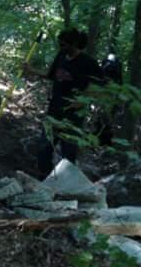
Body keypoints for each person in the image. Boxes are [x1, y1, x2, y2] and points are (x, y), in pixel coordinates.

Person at [24, 28, 104, 177]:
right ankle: (43, 177)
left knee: (69, 150)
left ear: (75, 44)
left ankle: (65, 182)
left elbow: (102, 85)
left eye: (65, 45)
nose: (62, 48)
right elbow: (50, 75)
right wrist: (31, 70)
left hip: (73, 115)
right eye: (60, 44)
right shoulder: (61, 56)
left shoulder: (88, 63)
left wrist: (82, 101)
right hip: (54, 108)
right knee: (44, 145)